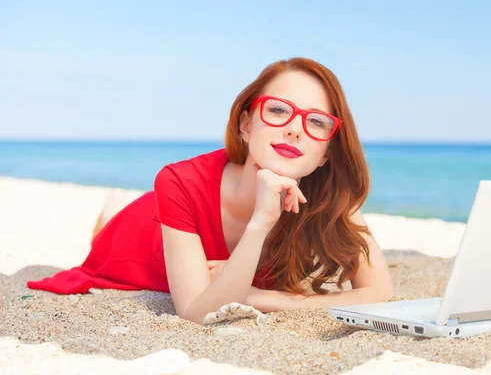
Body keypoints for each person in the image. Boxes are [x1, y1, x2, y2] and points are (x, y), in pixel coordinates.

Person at [28, 57, 394, 324]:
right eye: (279, 110)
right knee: (107, 241)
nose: (296, 129)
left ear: (327, 153)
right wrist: (260, 223)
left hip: (182, 226)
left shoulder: (329, 194)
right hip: (141, 239)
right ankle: (107, 223)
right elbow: (194, 312)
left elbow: (380, 294)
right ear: (246, 125)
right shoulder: (178, 181)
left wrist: (265, 298)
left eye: (316, 120)